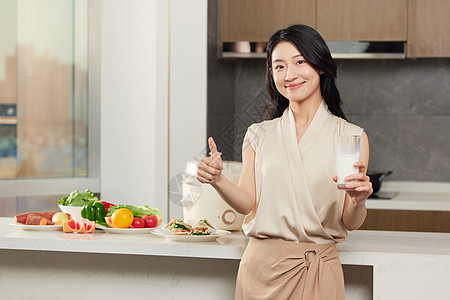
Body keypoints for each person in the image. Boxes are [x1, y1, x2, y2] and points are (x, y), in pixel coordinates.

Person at [197, 24, 372, 300]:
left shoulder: (350, 137)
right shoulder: (258, 134)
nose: (290, 75)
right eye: (279, 66)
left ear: (321, 65)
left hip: (318, 272)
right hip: (260, 272)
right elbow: (247, 202)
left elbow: (350, 221)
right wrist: (218, 180)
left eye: (300, 62)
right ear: (271, 74)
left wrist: (358, 200)